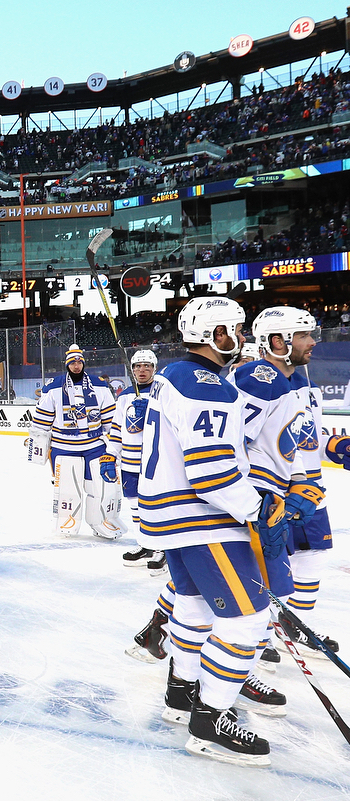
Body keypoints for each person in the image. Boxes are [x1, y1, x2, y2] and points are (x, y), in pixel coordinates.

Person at [139, 296, 290, 766]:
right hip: (203, 519)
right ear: (215, 334)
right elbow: (209, 471)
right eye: (235, 330)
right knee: (247, 620)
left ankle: (181, 693)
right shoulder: (207, 386)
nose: (241, 338)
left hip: (172, 518)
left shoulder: (175, 374)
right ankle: (210, 719)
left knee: (194, 608)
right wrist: (256, 508)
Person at [252, 308, 338, 656]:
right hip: (275, 493)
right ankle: (257, 638)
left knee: (314, 554)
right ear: (278, 341)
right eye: (304, 335)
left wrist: (336, 446)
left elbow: (307, 437)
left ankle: (292, 626)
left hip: (310, 491)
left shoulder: (305, 384)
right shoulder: (256, 384)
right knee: (264, 569)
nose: (313, 341)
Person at [27, 344, 122, 539]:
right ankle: (67, 520)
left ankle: (103, 521)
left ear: (83, 363)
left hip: (94, 445)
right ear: (67, 364)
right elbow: (42, 420)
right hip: (63, 446)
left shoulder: (99, 385)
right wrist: (36, 440)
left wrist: (116, 445)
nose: (76, 366)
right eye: (72, 363)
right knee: (67, 489)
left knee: (102, 486)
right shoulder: (54, 386)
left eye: (79, 362)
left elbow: (111, 421)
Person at [103, 349, 163, 571]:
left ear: (154, 369)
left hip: (155, 462)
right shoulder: (125, 396)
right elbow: (117, 428)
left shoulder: (163, 394)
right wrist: (110, 454)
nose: (142, 370)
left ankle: (161, 548)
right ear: (132, 370)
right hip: (129, 462)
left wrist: (151, 413)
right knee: (135, 505)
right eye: (138, 366)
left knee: (155, 505)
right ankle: (145, 543)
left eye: (147, 366)